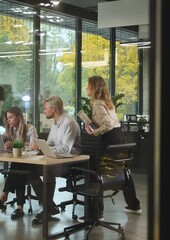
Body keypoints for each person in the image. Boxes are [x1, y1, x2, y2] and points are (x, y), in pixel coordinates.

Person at [82, 75, 142, 221]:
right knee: (123, 170)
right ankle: (134, 205)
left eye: (88, 85)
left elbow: (107, 125)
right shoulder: (107, 102)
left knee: (98, 172)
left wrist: (93, 132)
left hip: (109, 139)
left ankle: (96, 214)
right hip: (118, 137)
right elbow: (110, 122)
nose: (85, 88)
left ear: (93, 87)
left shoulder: (96, 103)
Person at [29, 96, 82, 224]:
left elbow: (65, 150)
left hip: (71, 161)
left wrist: (44, 148)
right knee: (29, 170)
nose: (44, 111)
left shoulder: (69, 123)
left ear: (53, 109)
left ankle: (47, 210)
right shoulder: (55, 123)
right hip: (57, 158)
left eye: (46, 108)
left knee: (48, 170)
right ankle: (50, 206)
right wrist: (40, 146)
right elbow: (50, 143)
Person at [0, 107, 38, 219]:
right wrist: (6, 145)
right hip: (20, 163)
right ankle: (19, 207)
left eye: (10, 117)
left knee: (17, 168)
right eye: (7, 118)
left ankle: (4, 195)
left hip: (33, 162)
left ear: (18, 117)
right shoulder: (10, 130)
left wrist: (17, 146)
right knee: (18, 169)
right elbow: (3, 140)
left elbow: (34, 147)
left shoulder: (30, 128)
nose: (8, 120)